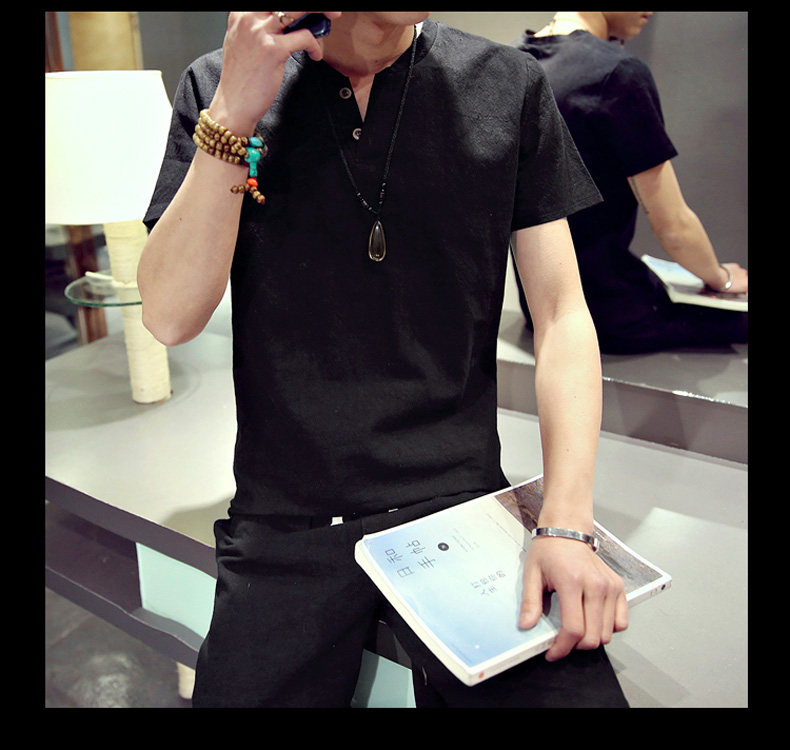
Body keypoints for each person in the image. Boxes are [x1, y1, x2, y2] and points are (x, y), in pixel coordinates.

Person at [138, 11, 629, 708]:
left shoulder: (506, 84)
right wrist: (235, 111)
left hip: (461, 501)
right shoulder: (222, 82)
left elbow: (560, 314)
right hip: (290, 515)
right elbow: (169, 316)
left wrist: (566, 521)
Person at [514, 11, 748, 354]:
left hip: (541, 307)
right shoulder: (617, 73)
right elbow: (673, 226)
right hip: (613, 312)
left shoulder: (515, 61)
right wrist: (721, 278)